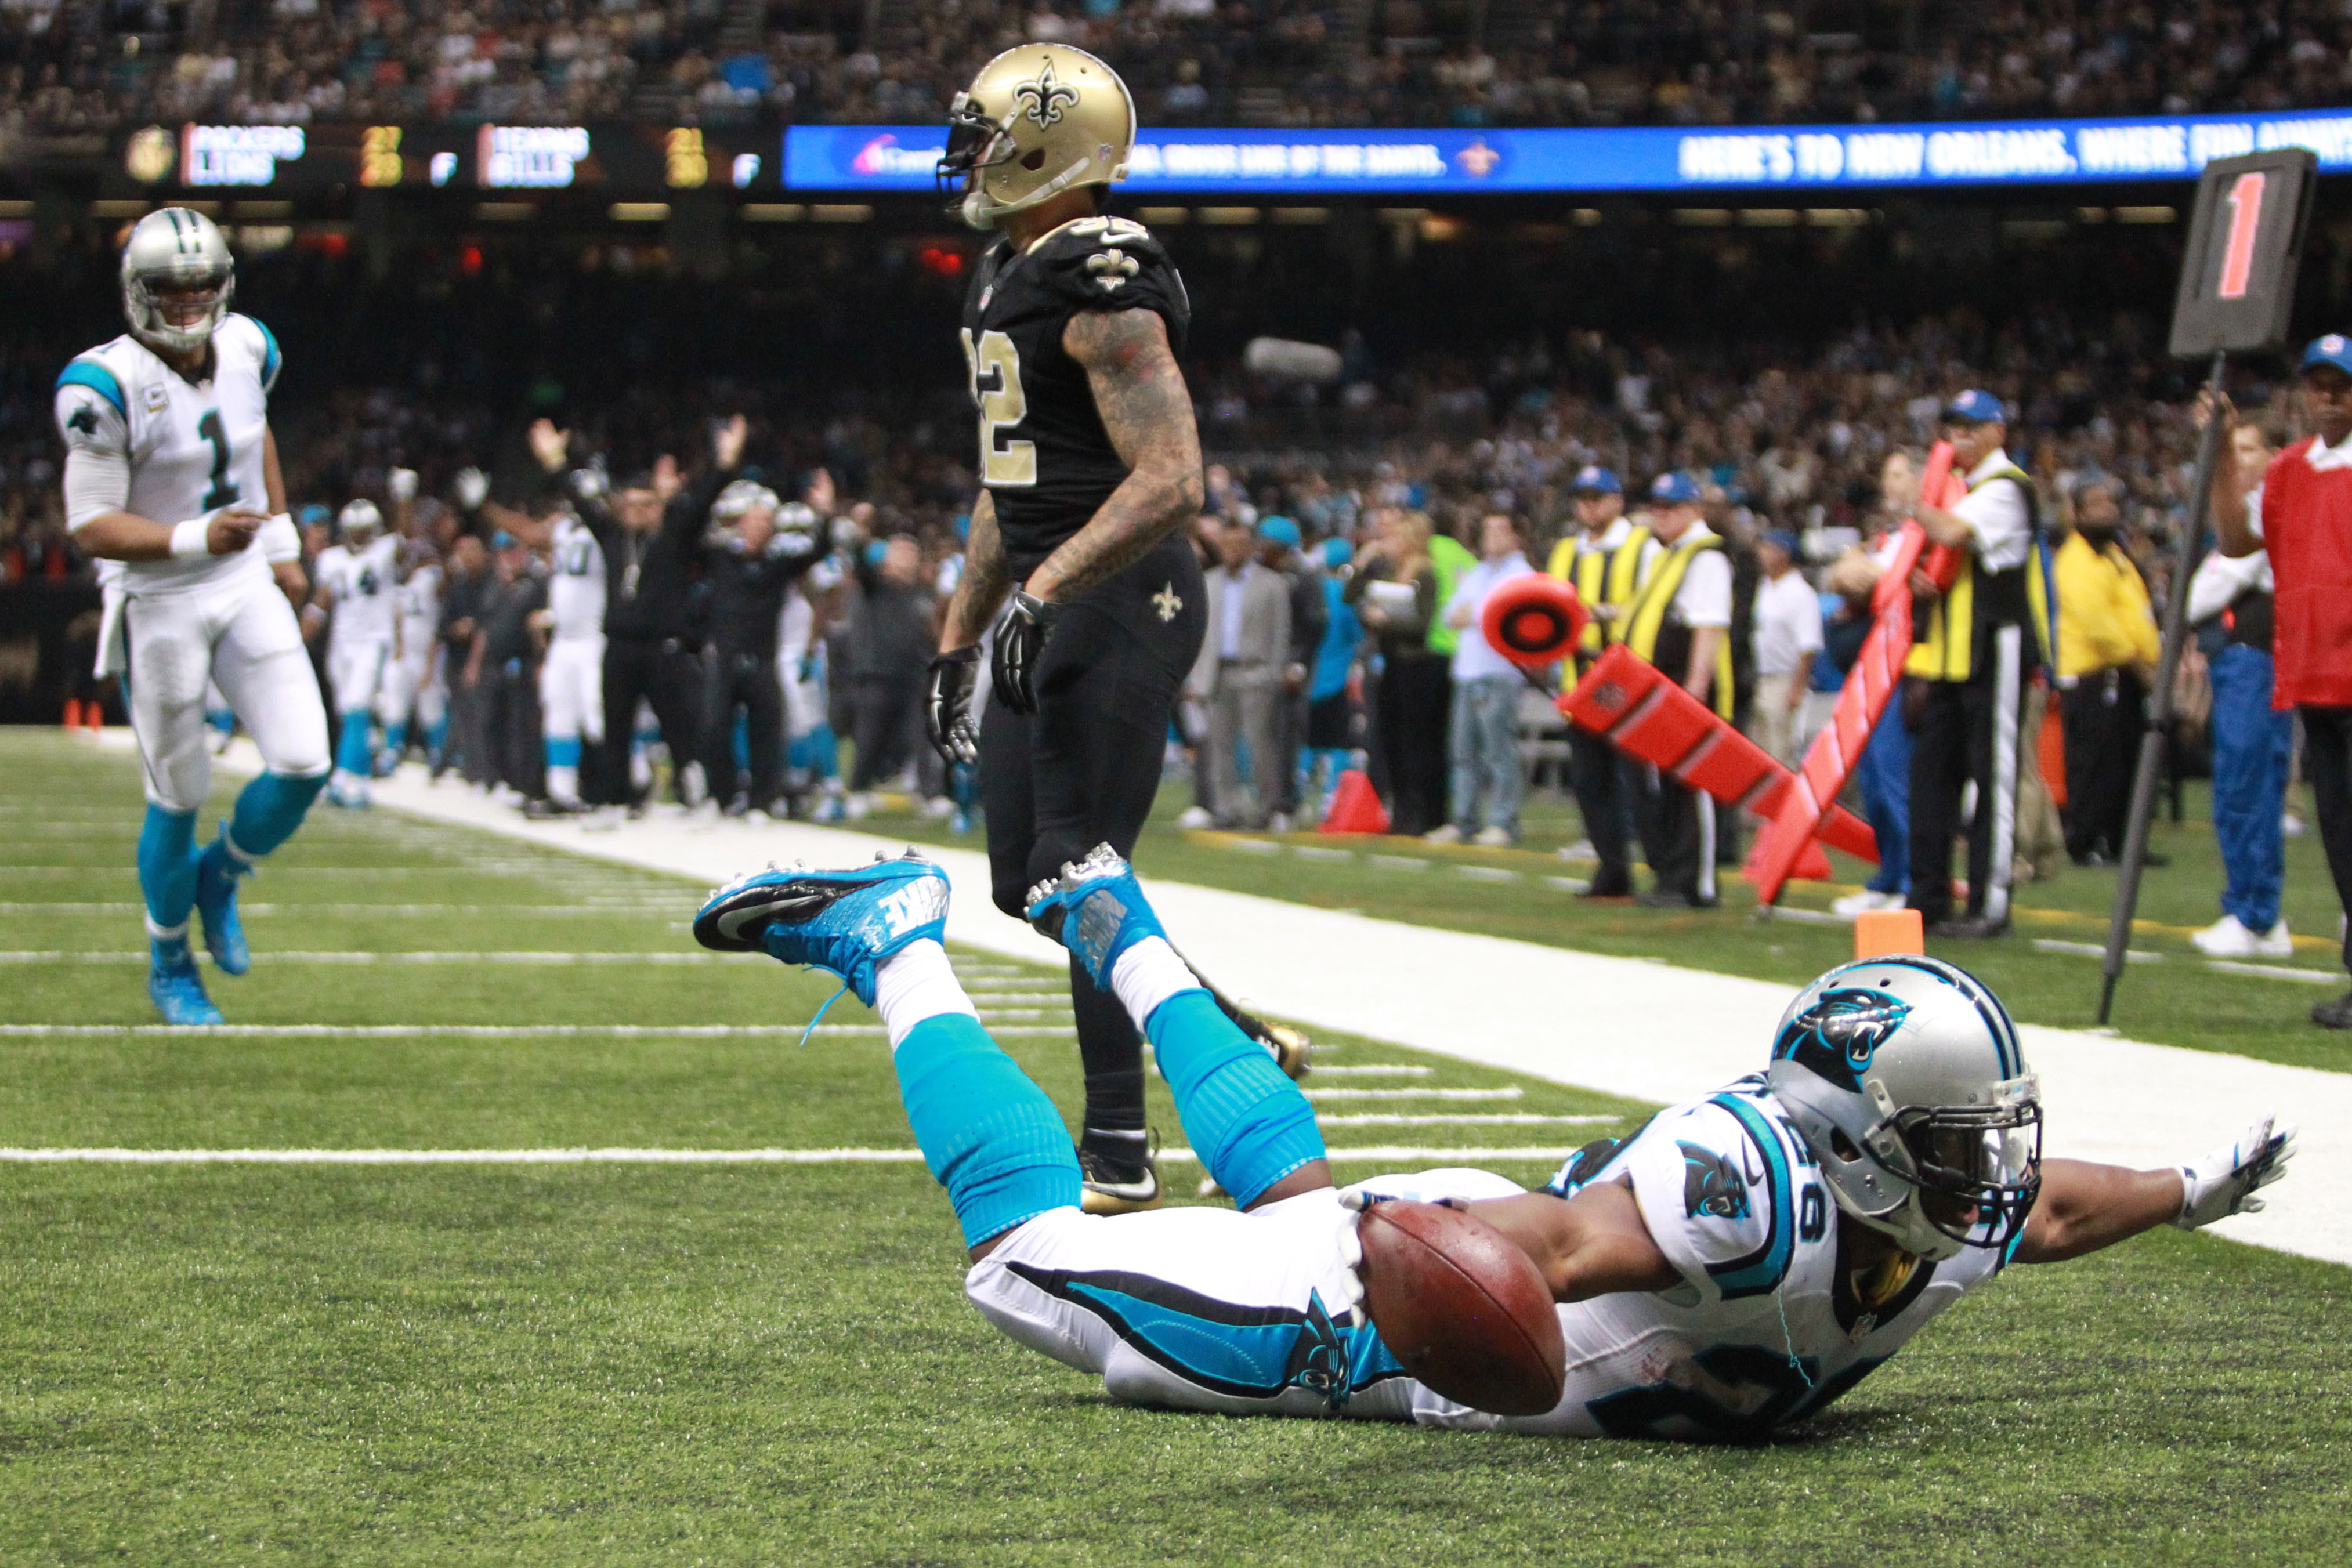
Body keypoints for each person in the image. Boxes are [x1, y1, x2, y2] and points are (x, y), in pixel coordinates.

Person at [694, 842, 2296, 1440]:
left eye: (1978, 1139)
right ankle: (896, 934)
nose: (1984, 1173)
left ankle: (1118, 924)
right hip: (1395, 1318)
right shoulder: (1739, 1192)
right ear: (1850, 1135)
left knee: (1296, 1189)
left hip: (1512, 1266)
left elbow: (2058, 1205)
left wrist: (2188, 1185)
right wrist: (1459, 1322)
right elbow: (1510, 1264)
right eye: (1950, 1141)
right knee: (1022, 1261)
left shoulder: (1929, 1211)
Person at [923, 42, 1298, 1215]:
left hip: (1128, 585)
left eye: (985, 132)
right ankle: (1219, 1026)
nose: (969, 152)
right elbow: (1010, 487)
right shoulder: (1006, 271)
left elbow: (1173, 477)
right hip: (1059, 583)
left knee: (1076, 865)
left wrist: (1042, 593)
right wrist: (957, 631)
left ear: (1048, 145)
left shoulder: (1101, 273)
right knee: (1022, 883)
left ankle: (1120, 1149)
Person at [53, 207, 328, 1026]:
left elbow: (254, 437)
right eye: (169, 290)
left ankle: (222, 874)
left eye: (201, 286)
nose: (186, 303)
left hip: (241, 575)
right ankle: (169, 959)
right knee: (177, 792)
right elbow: (90, 521)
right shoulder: (100, 384)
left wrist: (279, 542)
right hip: (160, 596)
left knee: (304, 760)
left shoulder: (249, 344)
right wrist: (191, 535)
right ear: (136, 293)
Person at [2210, 335, 2352, 1028]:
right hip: (2316, 676)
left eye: (2339, 384)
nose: (2327, 396)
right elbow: (2237, 542)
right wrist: (2215, 462)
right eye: (2317, 384)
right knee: (2340, 832)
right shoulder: (2293, 467)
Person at [529, 415, 746, 813]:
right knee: (616, 727)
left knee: (679, 726)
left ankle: (697, 795)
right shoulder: (613, 537)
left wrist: (724, 464)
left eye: (646, 504)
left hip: (662, 645)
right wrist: (555, 462)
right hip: (621, 645)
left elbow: (701, 503)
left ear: (658, 507)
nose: (637, 511)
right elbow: (581, 501)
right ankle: (614, 801)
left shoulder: (673, 540)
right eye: (630, 504)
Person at [1904, 392, 2053, 940]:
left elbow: (1951, 533)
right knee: (1932, 776)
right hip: (1954, 652)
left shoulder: (2006, 487)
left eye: (1971, 428)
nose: (1960, 438)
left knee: (1993, 776)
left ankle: (1990, 903)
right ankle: (1928, 896)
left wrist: (1913, 502)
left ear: (1997, 430)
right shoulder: (1966, 491)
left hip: (1995, 645)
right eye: (1953, 429)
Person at [2188, 418, 2293, 958]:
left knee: (2247, 780)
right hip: (2240, 658)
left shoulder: (2266, 506)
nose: (2241, 459)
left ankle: (2255, 912)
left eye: (2249, 448)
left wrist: (2174, 618)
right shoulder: (2250, 509)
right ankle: (2254, 910)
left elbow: (2216, 581)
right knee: (2238, 781)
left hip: (2257, 655)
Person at [1621, 472, 1735, 908]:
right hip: (1660, 685)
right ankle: (1671, 875)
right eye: (1658, 507)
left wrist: (1695, 688)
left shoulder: (1706, 557)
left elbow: (1709, 626)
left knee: (1693, 783)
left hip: (1684, 684)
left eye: (1672, 508)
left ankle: (1697, 883)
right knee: (1665, 784)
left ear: (1694, 510)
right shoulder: (1667, 554)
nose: (1661, 515)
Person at [1543, 465, 1655, 898]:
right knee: (1591, 781)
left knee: (1638, 781)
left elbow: (1648, 605)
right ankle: (1612, 867)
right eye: (1582, 497)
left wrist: (1597, 613)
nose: (1588, 505)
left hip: (1627, 682)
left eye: (1597, 497)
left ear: (1617, 501)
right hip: (1578, 683)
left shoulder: (1641, 546)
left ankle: (1662, 868)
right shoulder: (1565, 551)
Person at [697, 487, 826, 819]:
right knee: (714, 726)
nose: (759, 528)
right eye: (754, 521)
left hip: (763, 656)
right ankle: (722, 795)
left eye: (766, 522)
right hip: (725, 656)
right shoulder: (721, 559)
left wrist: (823, 514)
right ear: (740, 524)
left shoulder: (777, 565)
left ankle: (762, 800)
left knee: (766, 731)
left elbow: (818, 552)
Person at [1830, 452, 1920, 918]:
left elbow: (1868, 578)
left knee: (1894, 774)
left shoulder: (1917, 538)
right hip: (1870, 669)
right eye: (1886, 475)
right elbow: (1843, 576)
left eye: (1900, 474)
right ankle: (1888, 875)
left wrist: (1860, 571)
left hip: (1902, 668)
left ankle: (1910, 878)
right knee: (1871, 777)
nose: (1890, 483)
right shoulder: (1886, 537)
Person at [2051, 480, 2159, 867]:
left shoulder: (2114, 555)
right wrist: (2140, 663)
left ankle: (2121, 839)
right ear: (2077, 514)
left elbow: (2134, 609)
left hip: (2123, 673)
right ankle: (2086, 840)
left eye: (2110, 504)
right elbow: (2099, 625)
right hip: (2092, 674)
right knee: (2094, 761)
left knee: (2125, 759)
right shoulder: (2074, 560)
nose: (2106, 511)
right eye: (2095, 505)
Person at [1430, 510, 1535, 847]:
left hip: (1499, 671)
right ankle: (1464, 820)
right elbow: (1451, 613)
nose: (1491, 537)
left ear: (1517, 537)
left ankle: (1503, 821)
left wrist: (1474, 613)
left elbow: (1500, 615)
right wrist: (1476, 613)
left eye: (1499, 531)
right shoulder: (1479, 572)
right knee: (1463, 752)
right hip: (1468, 669)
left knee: (1497, 751)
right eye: (1487, 530)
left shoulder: (1522, 575)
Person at [1347, 506, 1448, 836]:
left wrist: (1387, 621)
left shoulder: (1427, 574)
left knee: (1419, 741)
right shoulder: (1388, 571)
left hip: (1421, 664)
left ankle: (1425, 813)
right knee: (1392, 739)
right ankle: (1402, 811)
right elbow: (1352, 596)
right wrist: (1361, 564)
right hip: (1392, 662)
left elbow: (1422, 623)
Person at [1188, 517, 1292, 830]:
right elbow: (1200, 633)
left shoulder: (1272, 584)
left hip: (1255, 672)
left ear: (1251, 547)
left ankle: (1267, 808)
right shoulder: (1208, 583)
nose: (1232, 550)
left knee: (1260, 744)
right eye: (1227, 544)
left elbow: (1281, 633)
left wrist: (1274, 672)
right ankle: (1227, 808)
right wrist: (1196, 675)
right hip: (1217, 672)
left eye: (1238, 544)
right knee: (1220, 747)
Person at [309, 498, 400, 809]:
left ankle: (346, 780)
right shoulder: (331, 559)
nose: (361, 536)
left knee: (356, 706)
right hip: (342, 644)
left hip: (372, 640)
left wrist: (403, 498)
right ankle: (354, 779)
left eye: (366, 530)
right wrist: (300, 636)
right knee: (346, 713)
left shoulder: (384, 552)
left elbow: (404, 538)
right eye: (356, 530)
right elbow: (322, 601)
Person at [846, 531, 936, 809]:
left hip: (914, 674)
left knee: (924, 736)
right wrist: (859, 537)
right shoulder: (875, 586)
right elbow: (860, 567)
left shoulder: (922, 594)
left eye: (911, 553)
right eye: (899, 553)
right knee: (870, 736)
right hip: (877, 673)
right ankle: (858, 790)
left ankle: (930, 794)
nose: (906, 559)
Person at [1299, 536, 1364, 819]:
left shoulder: (1310, 590)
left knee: (1306, 741)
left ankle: (1298, 798)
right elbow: (1357, 636)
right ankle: (1331, 798)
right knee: (1339, 742)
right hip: (1338, 679)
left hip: (1308, 678)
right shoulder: (1345, 595)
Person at [1747, 528, 1823, 767]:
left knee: (1779, 753)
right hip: (1755, 678)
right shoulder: (1762, 586)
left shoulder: (1800, 593)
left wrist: (1797, 688)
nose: (1761, 554)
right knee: (1755, 751)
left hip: (1783, 680)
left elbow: (1808, 646)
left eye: (1767, 548)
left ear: (1784, 553)